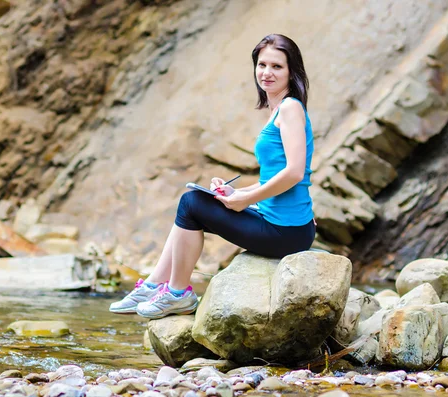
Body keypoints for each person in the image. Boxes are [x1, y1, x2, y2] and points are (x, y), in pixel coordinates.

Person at [110, 33, 316, 319]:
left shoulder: (291, 108)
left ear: (292, 71)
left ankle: (178, 293)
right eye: (262, 64)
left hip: (287, 231)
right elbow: (275, 175)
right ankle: (155, 285)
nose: (267, 73)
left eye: (277, 66)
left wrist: (246, 200)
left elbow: (294, 173)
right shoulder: (278, 110)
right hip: (279, 221)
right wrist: (237, 193)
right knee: (193, 204)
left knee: (191, 204)